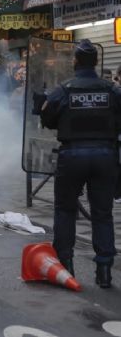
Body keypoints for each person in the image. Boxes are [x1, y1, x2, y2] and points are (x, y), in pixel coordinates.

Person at [38, 39, 120, 288]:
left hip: (72, 155)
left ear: (74, 61)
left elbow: (47, 118)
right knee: (103, 213)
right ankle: (104, 269)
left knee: (65, 210)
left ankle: (65, 264)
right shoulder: (112, 89)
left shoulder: (64, 89)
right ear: (96, 62)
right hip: (106, 154)